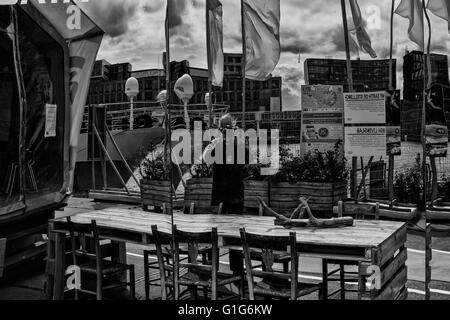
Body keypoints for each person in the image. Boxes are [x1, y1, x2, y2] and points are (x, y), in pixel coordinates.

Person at [208, 114, 246, 215]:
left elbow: (207, 159)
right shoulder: (240, 143)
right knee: (237, 224)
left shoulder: (217, 143)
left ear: (220, 129)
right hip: (235, 193)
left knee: (217, 226)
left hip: (220, 193)